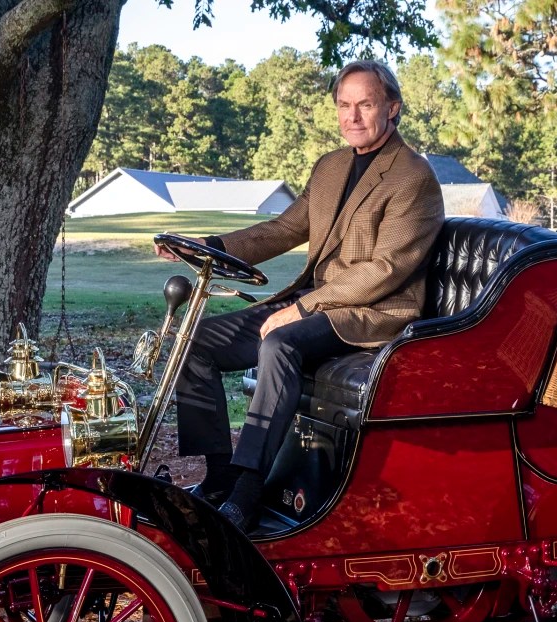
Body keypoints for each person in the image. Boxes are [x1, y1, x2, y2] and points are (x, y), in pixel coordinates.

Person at [156, 60, 444, 530]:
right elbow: (284, 228)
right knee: (198, 342)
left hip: (370, 313)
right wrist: (209, 246)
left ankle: (246, 494)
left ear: (392, 109)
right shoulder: (331, 166)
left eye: (365, 104)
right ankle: (218, 479)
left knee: (279, 343)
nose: (352, 116)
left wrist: (300, 308)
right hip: (317, 301)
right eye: (344, 105)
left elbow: (386, 271)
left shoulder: (413, 178)